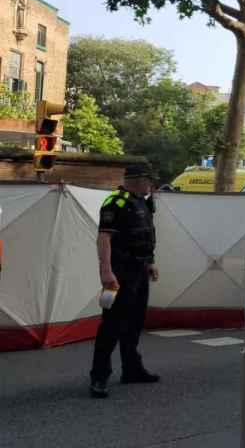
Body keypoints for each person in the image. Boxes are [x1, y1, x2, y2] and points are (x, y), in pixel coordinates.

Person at [90, 163, 160, 399]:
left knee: (135, 322)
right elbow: (104, 239)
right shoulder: (115, 202)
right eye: (149, 180)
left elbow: (145, 235)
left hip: (139, 272)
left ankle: (131, 368)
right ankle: (99, 376)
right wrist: (106, 271)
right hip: (118, 274)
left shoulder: (143, 202)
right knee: (111, 324)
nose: (151, 184)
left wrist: (150, 262)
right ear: (138, 179)